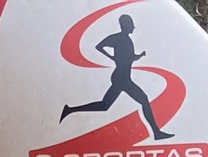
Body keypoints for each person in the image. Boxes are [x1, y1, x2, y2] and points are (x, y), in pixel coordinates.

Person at [59, 14, 174, 142]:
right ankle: (156, 133)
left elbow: (130, 58)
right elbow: (99, 46)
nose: (133, 28)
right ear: (125, 25)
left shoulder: (127, 40)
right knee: (143, 99)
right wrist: (111, 57)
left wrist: (140, 56)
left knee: (105, 105)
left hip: (122, 77)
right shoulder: (118, 38)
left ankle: (70, 110)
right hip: (121, 78)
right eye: (131, 25)